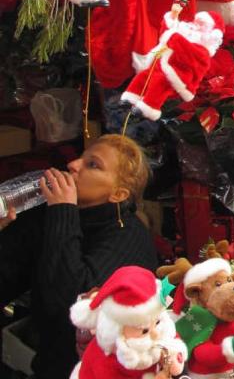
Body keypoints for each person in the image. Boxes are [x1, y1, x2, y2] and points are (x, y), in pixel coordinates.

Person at [0, 134, 158, 378]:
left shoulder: (128, 238)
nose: (73, 164)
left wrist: (63, 212)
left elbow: (68, 306)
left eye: (92, 164)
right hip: (46, 362)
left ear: (118, 194)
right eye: (81, 158)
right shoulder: (47, 213)